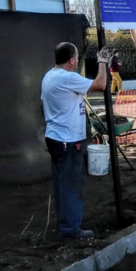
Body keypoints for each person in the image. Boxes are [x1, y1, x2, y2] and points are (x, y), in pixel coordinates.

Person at [41, 42, 110, 239]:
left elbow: (42, 103)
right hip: (68, 140)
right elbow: (100, 85)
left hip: (55, 137)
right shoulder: (67, 77)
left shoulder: (49, 76)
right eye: (77, 57)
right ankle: (71, 230)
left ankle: (65, 225)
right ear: (72, 60)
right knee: (73, 184)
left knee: (63, 183)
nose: (78, 60)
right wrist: (103, 62)